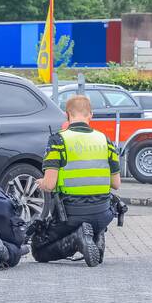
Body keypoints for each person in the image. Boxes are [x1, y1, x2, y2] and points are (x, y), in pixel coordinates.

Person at [31, 94, 121, 267]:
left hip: (70, 214)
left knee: (39, 250)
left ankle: (78, 240)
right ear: (91, 114)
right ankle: (96, 234)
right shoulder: (105, 140)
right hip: (102, 212)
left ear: (67, 114)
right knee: (92, 222)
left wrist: (41, 182)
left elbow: (49, 185)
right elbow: (116, 183)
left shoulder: (58, 140)